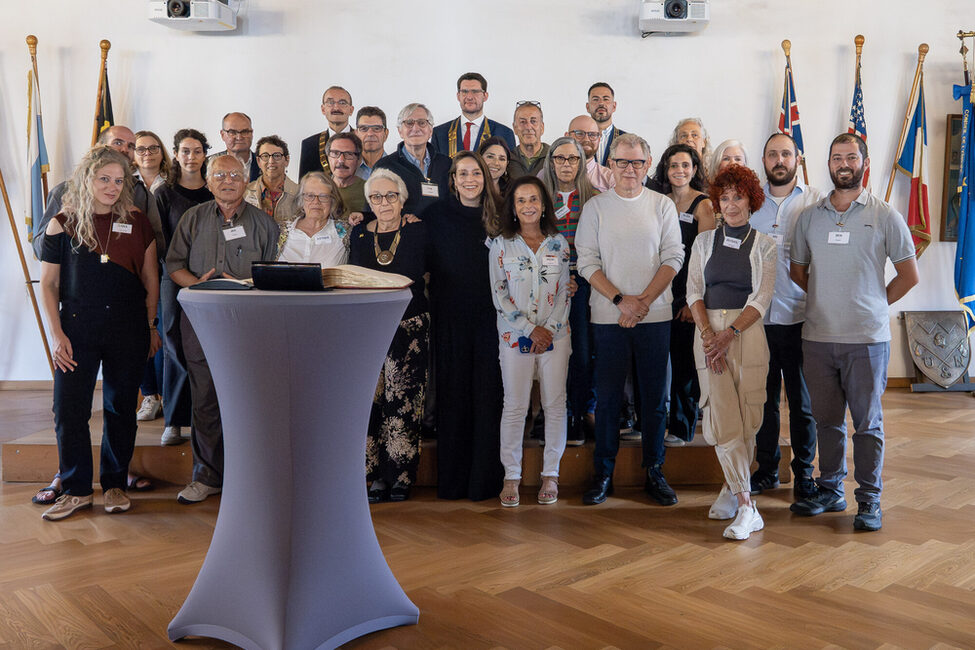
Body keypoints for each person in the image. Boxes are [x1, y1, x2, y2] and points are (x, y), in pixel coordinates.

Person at [789, 133, 919, 532]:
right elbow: (798, 270)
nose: (843, 163)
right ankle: (830, 489)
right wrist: (826, 299)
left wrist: (873, 304)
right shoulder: (809, 216)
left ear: (864, 161)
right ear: (827, 164)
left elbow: (909, 275)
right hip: (818, 338)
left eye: (850, 157)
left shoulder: (885, 215)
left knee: (867, 424)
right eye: (836, 157)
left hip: (866, 340)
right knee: (826, 421)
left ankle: (869, 500)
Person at [30, 125, 164, 505]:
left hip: (128, 329)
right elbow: (49, 286)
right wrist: (57, 335)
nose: (112, 186)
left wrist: (151, 325)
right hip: (77, 330)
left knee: (121, 408)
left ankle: (115, 484)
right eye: (104, 178)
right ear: (88, 178)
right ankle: (74, 489)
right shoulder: (62, 222)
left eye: (119, 180)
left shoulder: (137, 222)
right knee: (69, 410)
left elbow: (151, 280)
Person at [575, 133, 684, 507]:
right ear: (610, 164)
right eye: (622, 162)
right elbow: (586, 261)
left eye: (637, 162)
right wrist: (622, 301)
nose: (629, 169)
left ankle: (654, 470)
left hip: (655, 317)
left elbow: (673, 257)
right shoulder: (596, 208)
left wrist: (643, 303)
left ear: (648, 164)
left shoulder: (663, 206)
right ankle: (603, 473)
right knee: (606, 400)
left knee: (655, 400)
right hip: (608, 316)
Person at [166, 155, 279, 504]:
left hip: (250, 322)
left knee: (250, 399)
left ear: (247, 180)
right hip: (202, 321)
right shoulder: (192, 218)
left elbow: (275, 275)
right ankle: (207, 476)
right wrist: (198, 286)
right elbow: (174, 266)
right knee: (205, 398)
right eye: (220, 175)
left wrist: (245, 284)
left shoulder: (264, 223)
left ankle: (250, 476)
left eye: (235, 174)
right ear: (209, 181)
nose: (228, 180)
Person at [686, 165, 776, 540]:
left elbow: (762, 298)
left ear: (751, 200)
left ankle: (730, 487)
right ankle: (746, 505)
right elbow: (693, 292)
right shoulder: (704, 242)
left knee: (747, 416)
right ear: (717, 203)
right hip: (708, 335)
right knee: (721, 416)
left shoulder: (766, 245)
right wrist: (710, 335)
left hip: (748, 334)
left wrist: (730, 335)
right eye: (725, 197)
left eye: (738, 196)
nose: (732, 204)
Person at [748, 133, 824, 500]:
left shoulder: (815, 203)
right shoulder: (750, 203)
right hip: (758, 319)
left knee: (801, 402)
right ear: (763, 160)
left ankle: (805, 474)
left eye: (786, 154)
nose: (779, 160)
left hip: (800, 318)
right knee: (763, 402)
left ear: (798, 158)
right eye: (772, 154)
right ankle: (766, 470)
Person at [424, 151, 503, 501]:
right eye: (462, 174)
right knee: (453, 399)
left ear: (486, 177)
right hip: (450, 319)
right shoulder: (434, 215)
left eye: (476, 173)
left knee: (488, 399)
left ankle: (483, 483)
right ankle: (453, 483)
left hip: (493, 320)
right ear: (452, 180)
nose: (469, 179)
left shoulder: (502, 215)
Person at [349, 169, 429, 503]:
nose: (385, 202)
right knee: (370, 402)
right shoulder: (358, 234)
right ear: (369, 201)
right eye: (377, 197)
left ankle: (400, 475)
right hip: (366, 328)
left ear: (403, 199)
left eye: (391, 196)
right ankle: (372, 475)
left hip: (408, 327)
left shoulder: (418, 231)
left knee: (404, 402)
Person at [490, 176, 571, 506]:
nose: (528, 206)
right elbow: (499, 295)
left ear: (543, 205)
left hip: (556, 336)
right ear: (512, 206)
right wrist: (529, 329)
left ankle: (551, 474)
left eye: (534, 200)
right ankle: (512, 476)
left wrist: (548, 329)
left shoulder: (559, 244)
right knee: (515, 406)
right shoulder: (500, 244)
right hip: (515, 337)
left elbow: (566, 290)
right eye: (521, 200)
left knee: (554, 404)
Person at [650, 144, 716, 448]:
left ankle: (682, 425)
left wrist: (694, 300)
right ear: (665, 169)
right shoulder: (656, 201)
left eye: (685, 165)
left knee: (683, 363)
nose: (679, 171)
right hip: (656, 291)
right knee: (652, 360)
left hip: (687, 294)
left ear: (694, 169)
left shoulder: (703, 206)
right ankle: (647, 422)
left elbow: (705, 258)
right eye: (673, 165)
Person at [154, 128, 214, 447]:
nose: (192, 156)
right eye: (185, 151)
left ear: (206, 154)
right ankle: (175, 420)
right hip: (173, 277)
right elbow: (160, 239)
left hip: (211, 277)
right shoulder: (164, 193)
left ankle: (205, 419)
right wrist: (180, 271)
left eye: (198, 150)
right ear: (176, 154)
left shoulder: (215, 190)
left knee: (207, 345)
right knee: (174, 342)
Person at [540, 136, 599, 446]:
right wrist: (561, 278)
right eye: (559, 159)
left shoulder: (595, 198)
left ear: (581, 162)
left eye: (572, 159)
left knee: (585, 352)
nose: (565, 164)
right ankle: (556, 414)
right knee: (554, 350)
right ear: (551, 162)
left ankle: (582, 411)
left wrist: (579, 277)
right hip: (548, 283)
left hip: (588, 283)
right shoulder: (539, 198)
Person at [132, 130, 171, 429]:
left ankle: (168, 395)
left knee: (161, 329)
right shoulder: (125, 185)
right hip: (134, 268)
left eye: (153, 147)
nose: (147, 153)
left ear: (162, 151)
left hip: (167, 266)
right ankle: (149, 395)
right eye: (141, 148)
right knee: (142, 332)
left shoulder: (172, 184)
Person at [375, 103, 451, 215]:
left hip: (441, 230)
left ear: (430, 131)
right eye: (409, 123)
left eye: (422, 123)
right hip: (404, 230)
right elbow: (375, 208)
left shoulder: (446, 164)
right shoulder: (385, 167)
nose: (415, 128)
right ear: (400, 131)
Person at [432, 72, 517, 157]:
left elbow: (509, 168)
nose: (469, 97)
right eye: (464, 91)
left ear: (485, 96)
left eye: (475, 91)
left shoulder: (504, 133)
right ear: (458, 96)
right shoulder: (439, 133)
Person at [278, 172, 349, 267]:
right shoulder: (280, 230)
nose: (316, 202)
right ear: (301, 199)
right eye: (310, 196)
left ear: (332, 201)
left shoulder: (345, 231)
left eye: (323, 196)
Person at [299, 86, 354, 178]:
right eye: (330, 102)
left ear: (351, 110)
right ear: (323, 109)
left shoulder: (362, 141)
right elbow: (303, 187)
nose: (336, 107)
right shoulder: (310, 144)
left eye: (342, 103)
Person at [243, 135, 299, 225]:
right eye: (265, 156)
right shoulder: (244, 193)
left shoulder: (300, 194)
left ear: (287, 160)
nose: (271, 161)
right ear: (258, 161)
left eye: (277, 156)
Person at [565, 114, 615, 192]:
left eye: (592, 135)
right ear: (567, 136)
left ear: (599, 139)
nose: (586, 139)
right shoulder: (548, 173)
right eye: (579, 133)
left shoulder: (610, 179)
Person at [210, 112, 259, 181]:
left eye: (244, 131)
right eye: (232, 132)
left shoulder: (265, 164)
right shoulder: (208, 165)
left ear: (252, 134)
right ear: (222, 135)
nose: (239, 137)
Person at [586, 82, 625, 166]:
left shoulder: (627, 140)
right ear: (588, 107)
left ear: (614, 106)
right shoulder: (578, 140)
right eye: (595, 99)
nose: (601, 103)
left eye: (606, 99)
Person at [326, 132, 367, 212]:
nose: (341, 160)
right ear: (328, 158)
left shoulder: (369, 191)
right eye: (335, 153)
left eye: (348, 154)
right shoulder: (318, 188)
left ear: (359, 160)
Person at [507, 102, 549, 178]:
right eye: (522, 122)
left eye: (533, 121)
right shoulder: (506, 160)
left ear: (542, 128)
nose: (528, 127)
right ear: (515, 128)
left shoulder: (555, 158)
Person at [355, 106, 389, 180]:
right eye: (364, 129)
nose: (370, 133)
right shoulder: (347, 170)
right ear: (356, 134)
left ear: (386, 134)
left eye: (376, 128)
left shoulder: (399, 168)